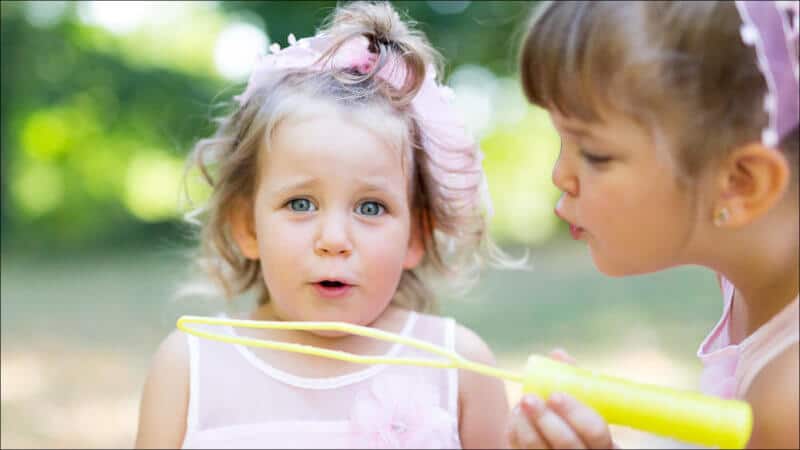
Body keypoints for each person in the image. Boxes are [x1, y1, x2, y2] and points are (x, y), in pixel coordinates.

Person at [134, 2, 514, 448]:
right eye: (300, 203)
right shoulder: (190, 369)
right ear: (247, 227)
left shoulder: (458, 368)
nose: (334, 240)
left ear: (415, 233)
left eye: (370, 208)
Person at [509, 1, 799, 448]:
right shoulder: (750, 271)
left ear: (741, 183)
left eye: (594, 154)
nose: (559, 176)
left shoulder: (788, 403)